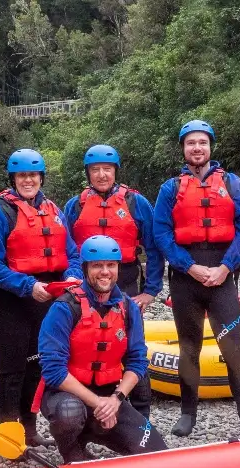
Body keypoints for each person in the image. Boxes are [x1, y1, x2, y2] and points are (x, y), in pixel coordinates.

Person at [152, 120, 240, 439]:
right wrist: (189, 266)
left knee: (233, 349)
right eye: (190, 143)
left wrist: (226, 267)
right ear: (183, 149)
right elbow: (161, 233)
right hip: (187, 277)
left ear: (211, 147)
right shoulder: (170, 188)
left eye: (202, 142)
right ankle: (188, 413)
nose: (196, 148)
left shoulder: (231, 184)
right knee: (189, 348)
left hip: (222, 275)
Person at [0, 149, 83, 446]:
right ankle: (10, 439)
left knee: (38, 365)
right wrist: (27, 286)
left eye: (33, 175)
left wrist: (72, 274)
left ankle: (30, 430)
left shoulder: (54, 210)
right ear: (13, 178)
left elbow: (72, 253)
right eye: (22, 175)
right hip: (8, 301)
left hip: (46, 298)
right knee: (12, 369)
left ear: (41, 178)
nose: (28, 180)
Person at [37, 235, 168, 463]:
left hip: (110, 396)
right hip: (67, 396)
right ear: (86, 268)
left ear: (118, 268)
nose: (105, 272)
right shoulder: (64, 308)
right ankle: (72, 451)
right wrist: (99, 403)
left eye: (111, 265)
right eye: (97, 265)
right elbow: (53, 371)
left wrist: (116, 400)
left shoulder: (128, 307)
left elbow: (137, 361)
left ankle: (96, 432)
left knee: (157, 453)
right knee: (69, 411)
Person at [63, 144, 164, 418]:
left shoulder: (135, 203)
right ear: (88, 173)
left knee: (132, 347)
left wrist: (151, 291)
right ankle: (89, 407)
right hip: (87, 285)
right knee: (88, 343)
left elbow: (154, 249)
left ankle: (141, 414)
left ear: (115, 171)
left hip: (127, 281)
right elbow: (66, 248)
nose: (101, 175)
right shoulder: (76, 205)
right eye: (95, 170)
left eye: (107, 169)